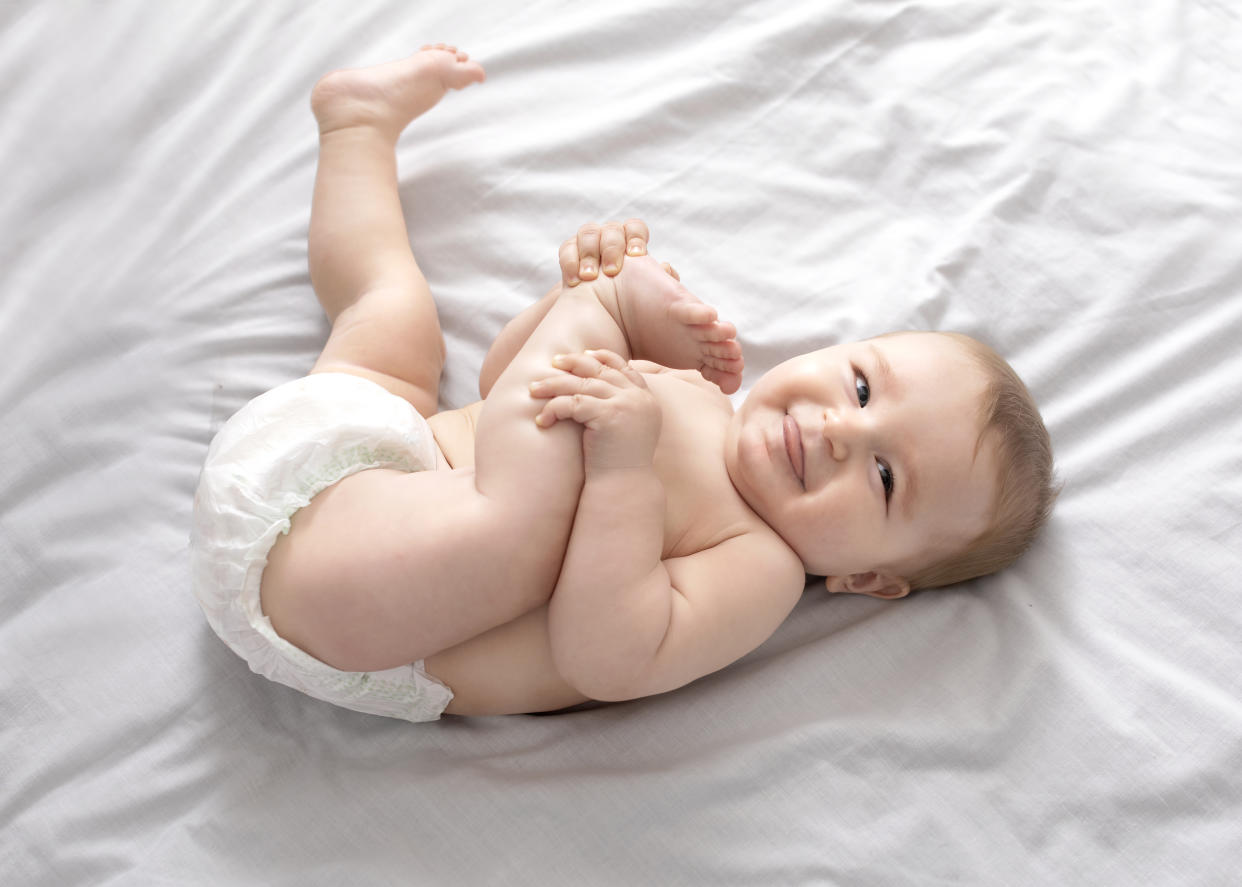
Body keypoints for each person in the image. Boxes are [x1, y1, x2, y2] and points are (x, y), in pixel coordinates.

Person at [191, 45, 1057, 722]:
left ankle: (603, 302)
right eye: (863, 389)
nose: (841, 431)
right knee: (390, 314)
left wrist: (622, 472)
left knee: (519, 525)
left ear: (872, 577)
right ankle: (356, 130)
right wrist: (557, 303)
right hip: (354, 455)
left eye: (883, 477)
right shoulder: (696, 386)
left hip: (340, 608)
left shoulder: (756, 566)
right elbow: (501, 386)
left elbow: (606, 655)